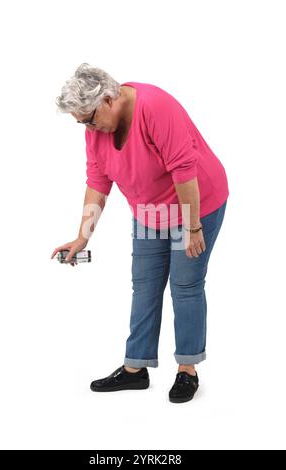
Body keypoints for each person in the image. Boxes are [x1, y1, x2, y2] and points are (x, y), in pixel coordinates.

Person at [51, 62, 229, 403]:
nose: (87, 128)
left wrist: (192, 227)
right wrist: (82, 236)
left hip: (193, 205)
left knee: (184, 286)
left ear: (106, 99)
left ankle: (187, 370)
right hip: (150, 211)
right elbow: (98, 181)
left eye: (88, 119)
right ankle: (136, 369)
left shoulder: (155, 107)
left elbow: (184, 170)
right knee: (145, 284)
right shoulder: (95, 130)